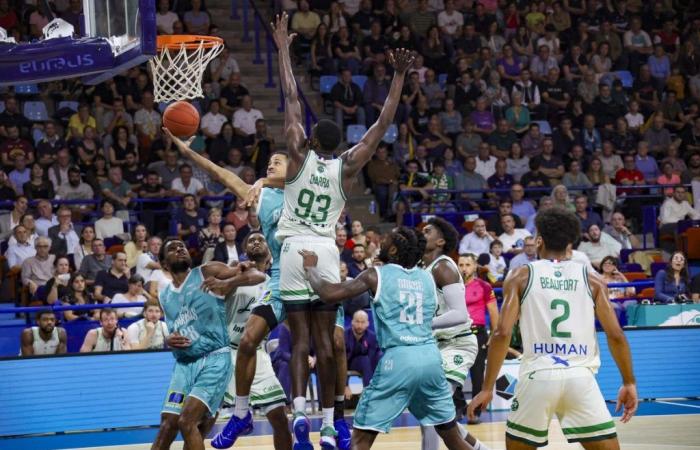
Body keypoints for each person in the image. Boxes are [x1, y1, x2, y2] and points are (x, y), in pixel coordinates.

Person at [271, 14, 415, 449]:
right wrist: (398, 76)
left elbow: (292, 97)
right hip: (326, 250)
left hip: (294, 248)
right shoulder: (347, 168)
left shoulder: (297, 154)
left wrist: (282, 47)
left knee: (299, 342)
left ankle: (300, 413)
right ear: (339, 146)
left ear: (311, 140)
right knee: (327, 343)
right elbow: (380, 127)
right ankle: (332, 425)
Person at [468, 207, 638, 448]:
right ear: (571, 243)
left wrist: (487, 389)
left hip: (538, 376)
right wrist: (629, 382)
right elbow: (616, 335)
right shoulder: (594, 280)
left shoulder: (520, 276)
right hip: (580, 376)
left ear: (539, 240)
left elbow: (502, 333)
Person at [300, 227, 473, 450]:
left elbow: (329, 293)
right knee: (453, 438)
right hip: (431, 358)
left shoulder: (376, 274)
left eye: (385, 239)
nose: (380, 241)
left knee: (361, 439)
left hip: (399, 359)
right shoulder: (427, 278)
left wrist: (311, 268)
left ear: (392, 249)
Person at [151, 239, 266, 450]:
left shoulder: (207, 272)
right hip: (184, 365)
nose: (180, 249)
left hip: (214, 359)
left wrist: (229, 282)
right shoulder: (164, 295)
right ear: (164, 264)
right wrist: (168, 340)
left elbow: (257, 275)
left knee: (187, 422)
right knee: (168, 425)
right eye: (172, 249)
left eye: (182, 246)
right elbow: (174, 327)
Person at [217, 231, 293, 450]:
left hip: (258, 355)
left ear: (270, 254)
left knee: (280, 419)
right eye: (251, 240)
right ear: (244, 251)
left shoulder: (275, 285)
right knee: (206, 417)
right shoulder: (233, 272)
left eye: (261, 240)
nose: (257, 242)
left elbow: (288, 323)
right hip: (230, 352)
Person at [421, 218, 487, 450]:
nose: (423, 232)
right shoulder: (422, 267)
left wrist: (423, 324)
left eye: (428, 231)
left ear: (440, 241)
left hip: (457, 343)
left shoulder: (444, 266)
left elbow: (459, 314)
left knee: (432, 411)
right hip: (436, 345)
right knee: (439, 416)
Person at [344, 310, 381, 387]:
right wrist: (345, 385)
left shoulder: (372, 337)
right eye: (357, 321)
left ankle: (371, 388)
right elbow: (340, 361)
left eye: (363, 322)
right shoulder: (344, 335)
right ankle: (369, 390)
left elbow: (373, 361)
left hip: (364, 366)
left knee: (366, 360)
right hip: (346, 364)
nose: (359, 325)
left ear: (367, 323)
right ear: (352, 322)